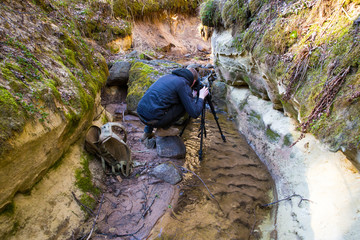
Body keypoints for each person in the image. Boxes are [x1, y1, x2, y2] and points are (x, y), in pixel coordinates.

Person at [137, 67, 209, 140]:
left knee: (157, 103)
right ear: (193, 81)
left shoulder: (168, 76)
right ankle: (163, 130)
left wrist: (191, 96)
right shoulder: (183, 83)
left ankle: (147, 132)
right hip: (153, 120)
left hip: (141, 114)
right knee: (184, 105)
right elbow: (195, 113)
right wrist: (201, 97)